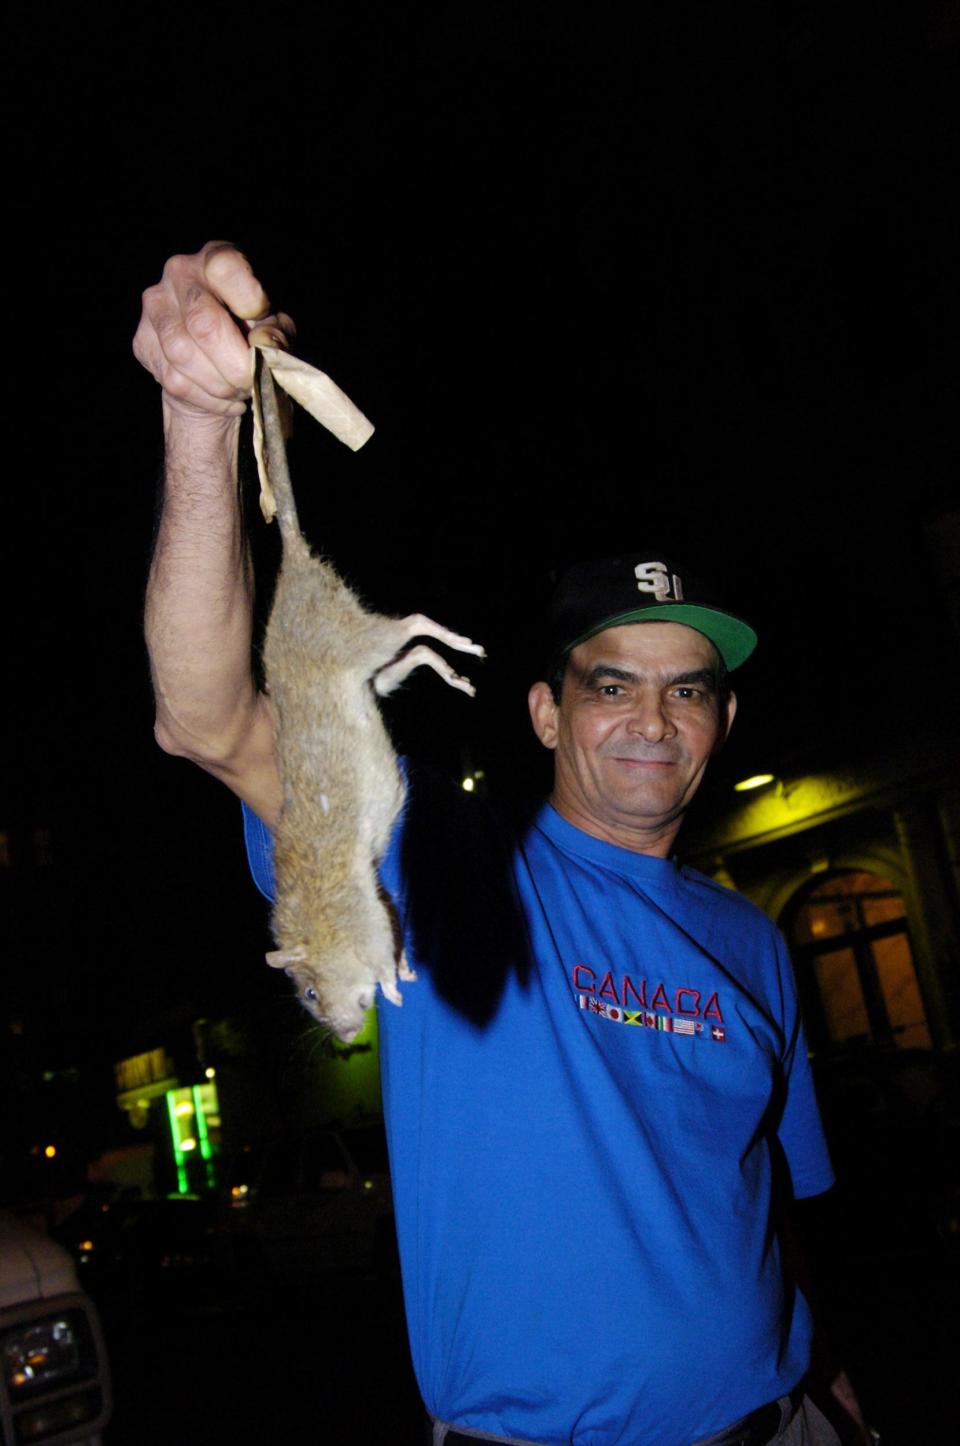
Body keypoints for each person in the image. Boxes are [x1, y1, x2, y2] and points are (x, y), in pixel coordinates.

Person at [136, 243, 872, 1446]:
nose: (650, 718)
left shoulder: (756, 941)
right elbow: (207, 718)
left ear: (723, 721)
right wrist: (198, 423)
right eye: (610, 684)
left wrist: (829, 1379)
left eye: (687, 691)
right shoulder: (436, 853)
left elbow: (766, 1198)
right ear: (545, 710)